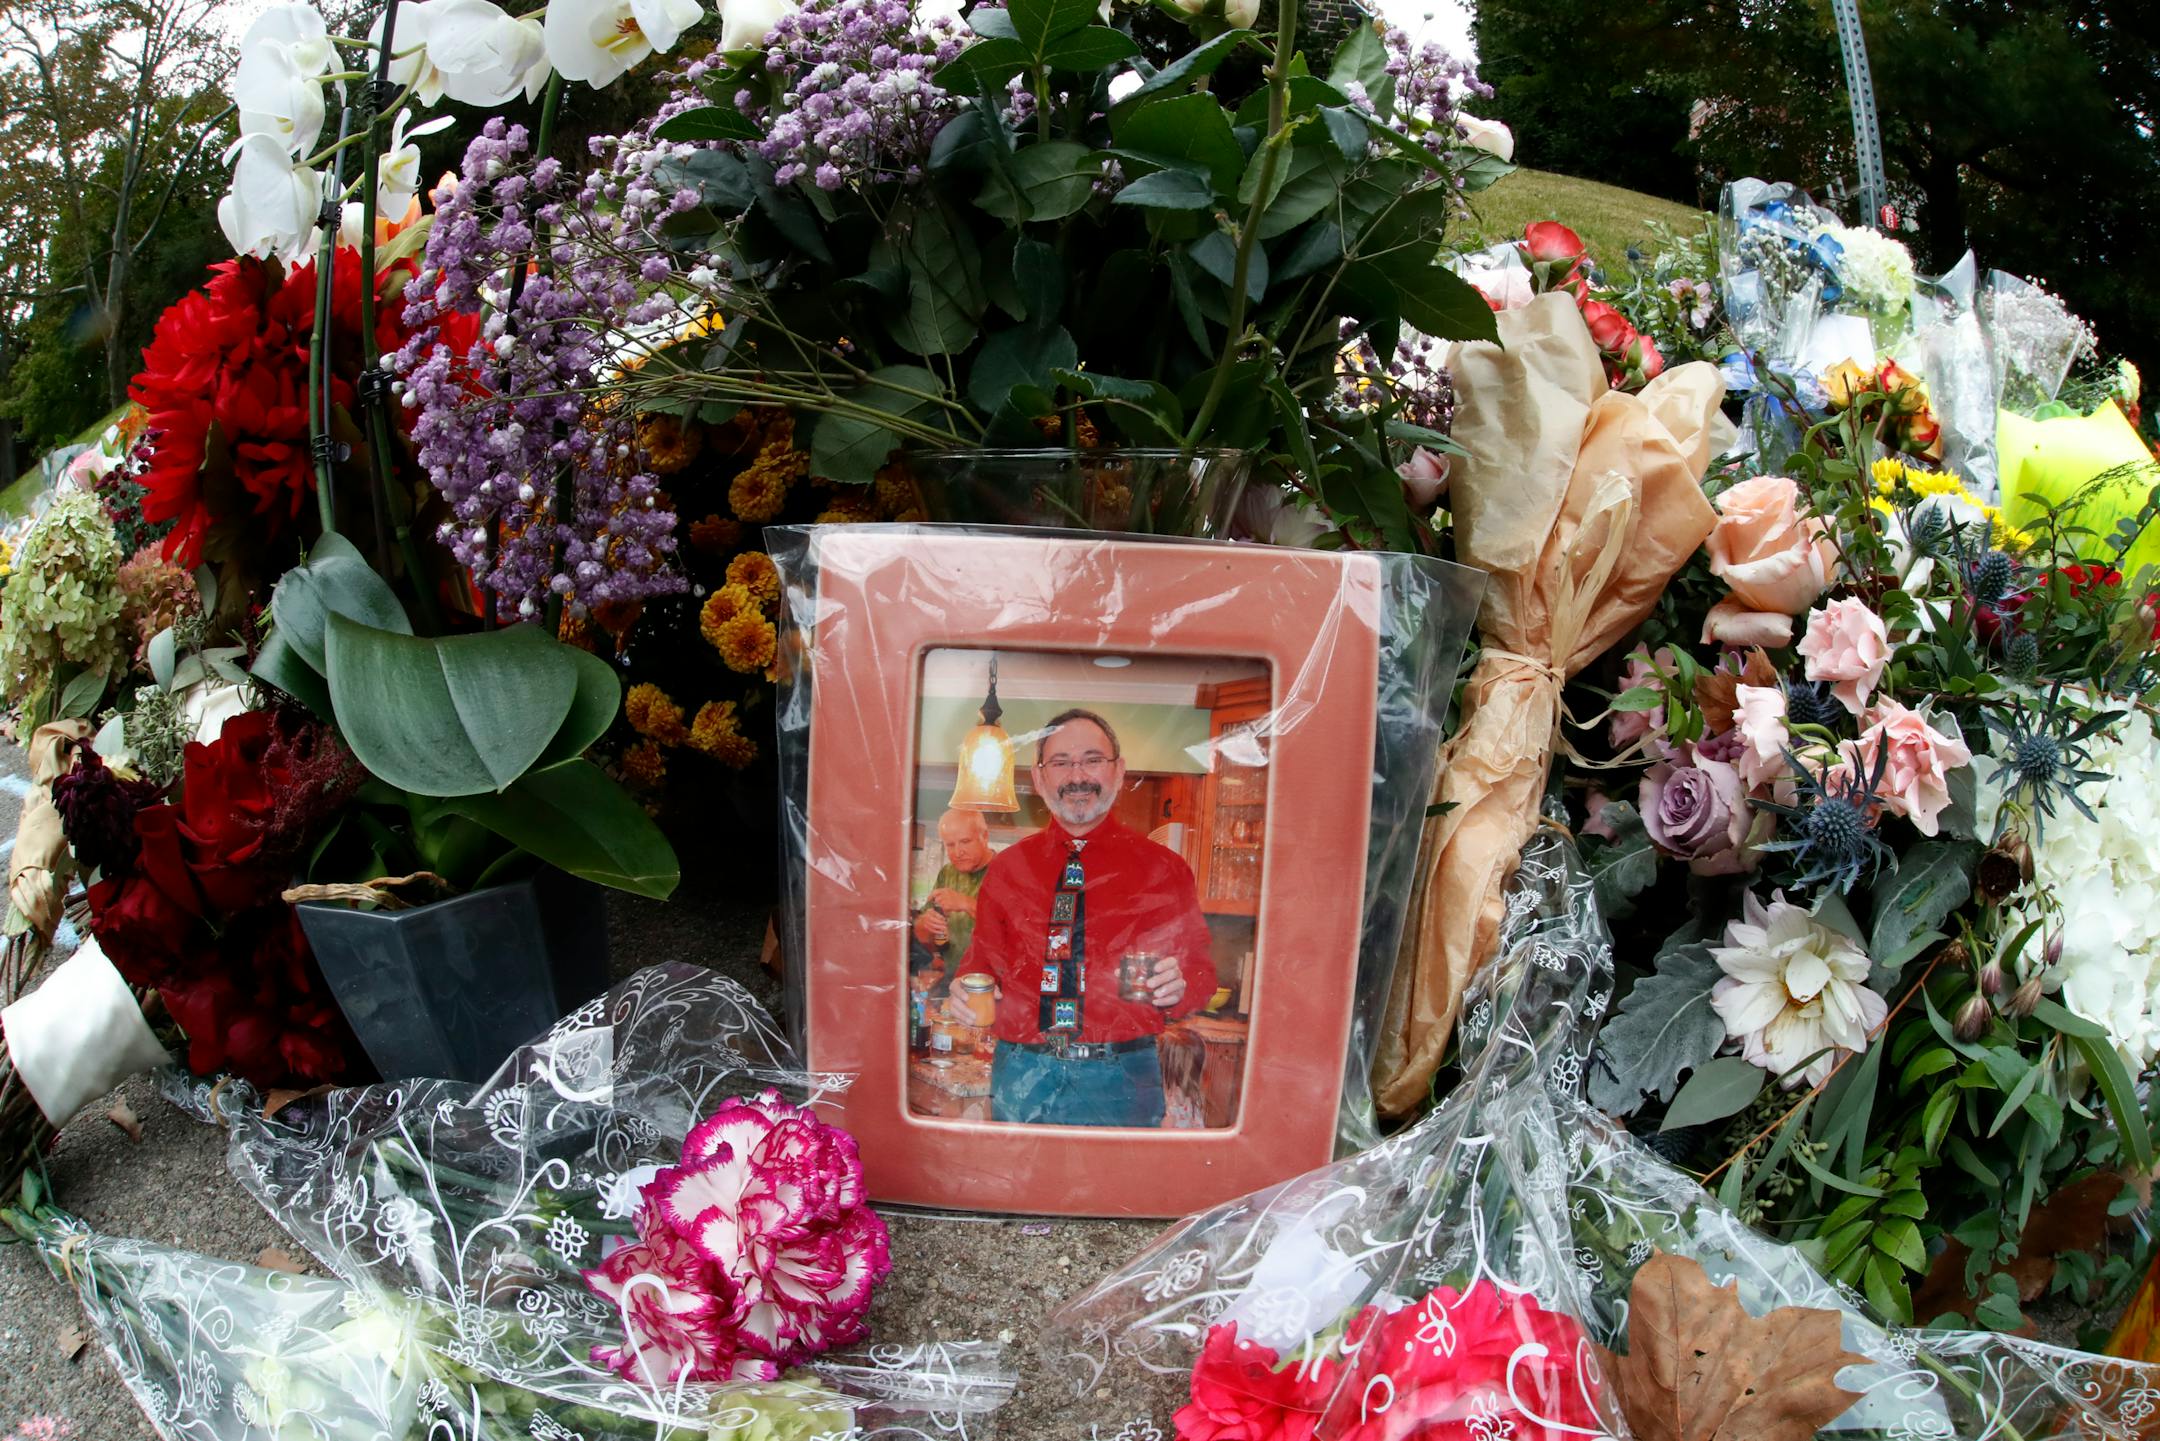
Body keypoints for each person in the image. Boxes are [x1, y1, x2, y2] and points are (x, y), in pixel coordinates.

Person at [948, 708, 1216, 1127]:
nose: (1078, 775)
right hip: (1021, 1072)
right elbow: (981, 963)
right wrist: (963, 989)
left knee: (1119, 1191)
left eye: (1092, 759)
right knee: (1017, 1190)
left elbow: (1202, 975)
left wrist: (1179, 985)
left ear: (1118, 771)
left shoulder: (1163, 870)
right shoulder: (1006, 870)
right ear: (1039, 778)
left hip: (1123, 1078)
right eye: (1060, 762)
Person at [909, 809, 993, 1037]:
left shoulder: (1003, 869)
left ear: (984, 836)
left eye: (965, 841)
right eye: (950, 845)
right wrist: (926, 923)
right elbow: (921, 936)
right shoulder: (947, 872)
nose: (958, 852)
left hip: (987, 987)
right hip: (948, 982)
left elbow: (1016, 925)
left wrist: (965, 903)